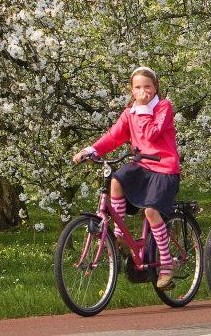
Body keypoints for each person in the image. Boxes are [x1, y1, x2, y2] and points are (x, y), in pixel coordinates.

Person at [73, 66, 180, 290]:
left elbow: (152, 133)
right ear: (132, 90)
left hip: (164, 167)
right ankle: (120, 234)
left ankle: (166, 262)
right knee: (117, 179)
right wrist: (91, 150)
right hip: (142, 165)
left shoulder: (163, 107)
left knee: (151, 211)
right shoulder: (130, 112)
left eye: (148, 87)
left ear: (155, 87)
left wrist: (142, 108)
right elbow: (113, 137)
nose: (143, 92)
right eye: (138, 88)